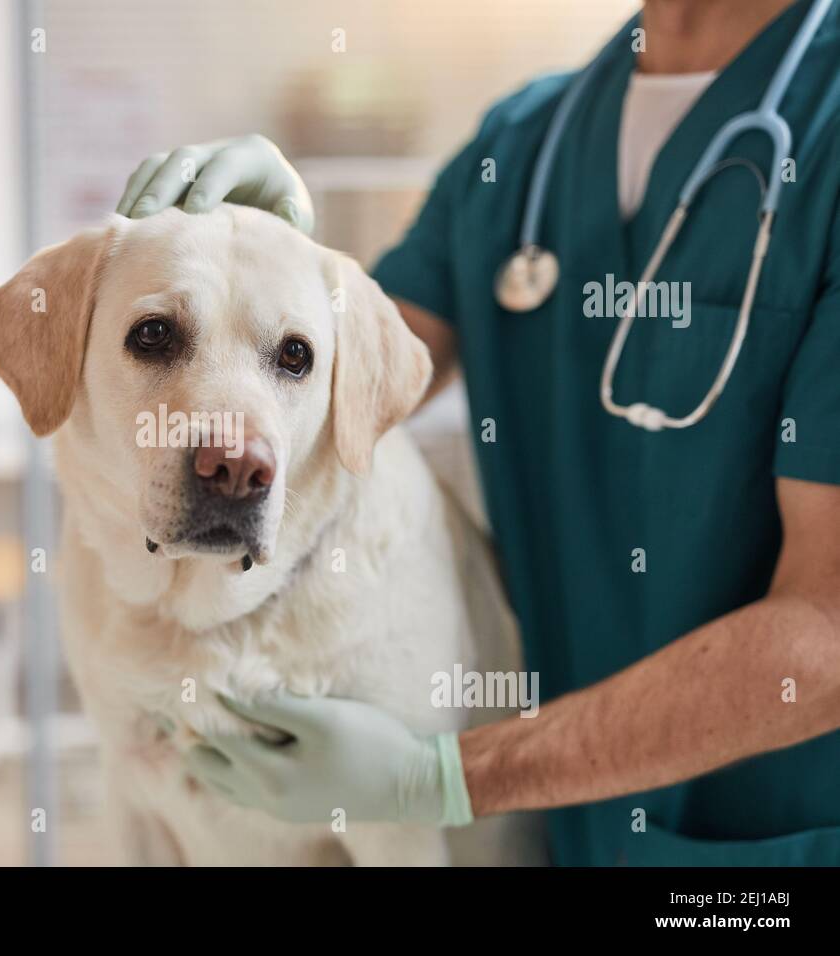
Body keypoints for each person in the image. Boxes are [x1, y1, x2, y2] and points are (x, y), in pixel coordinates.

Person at [114, 0, 840, 865]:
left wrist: (441, 778)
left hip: (764, 848)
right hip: (559, 830)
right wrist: (277, 264)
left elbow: (828, 623)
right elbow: (350, 382)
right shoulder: (523, 145)